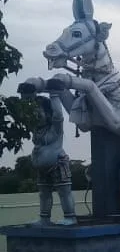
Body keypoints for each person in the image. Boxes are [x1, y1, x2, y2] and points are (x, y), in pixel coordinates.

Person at [30, 94, 76, 225]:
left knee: (64, 192)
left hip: (58, 164)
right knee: (44, 194)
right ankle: (44, 219)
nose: (36, 115)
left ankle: (70, 217)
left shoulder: (55, 128)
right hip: (42, 168)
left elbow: (58, 116)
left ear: (48, 113)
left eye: (39, 112)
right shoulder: (37, 129)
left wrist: (55, 95)